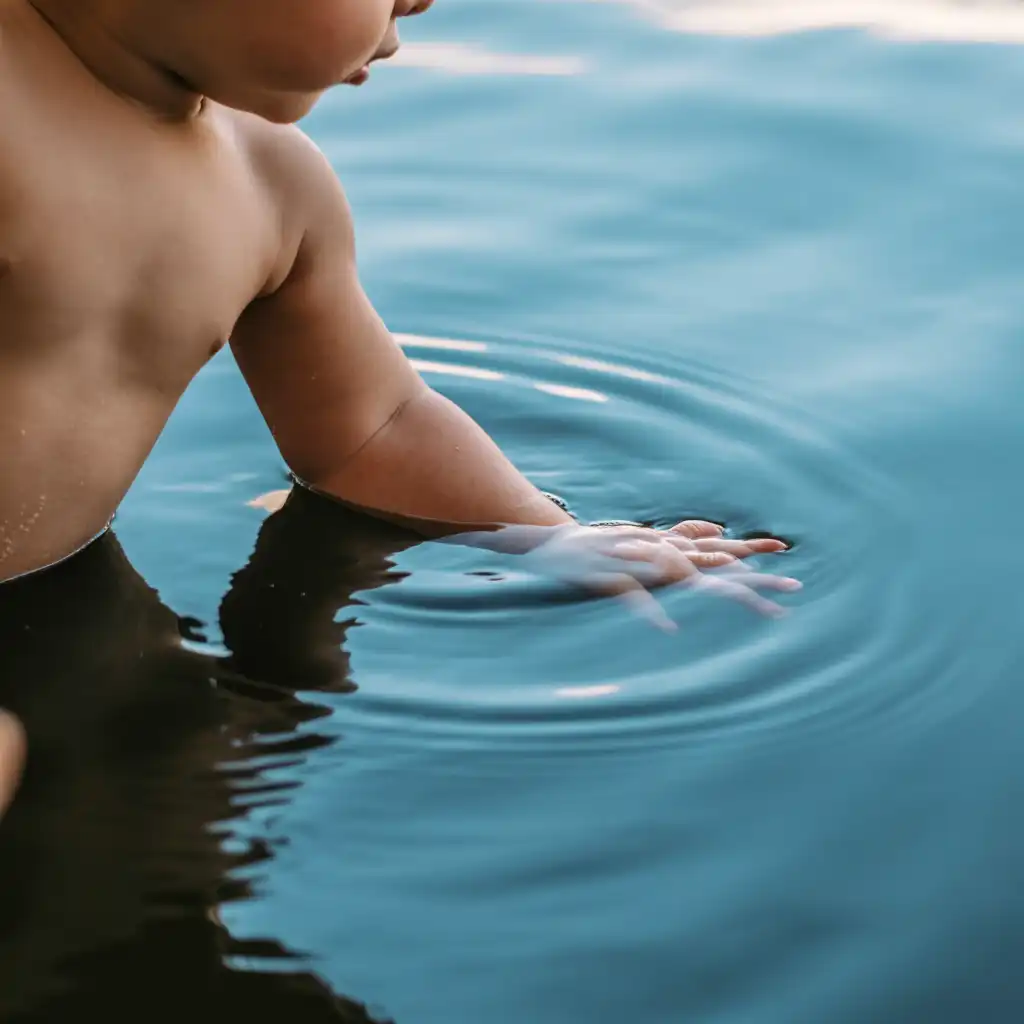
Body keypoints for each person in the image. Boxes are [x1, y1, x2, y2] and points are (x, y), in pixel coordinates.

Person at [0, 0, 800, 623]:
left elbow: (371, 428)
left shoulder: (276, 189)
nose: (419, 3)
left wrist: (543, 534)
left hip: (76, 619)